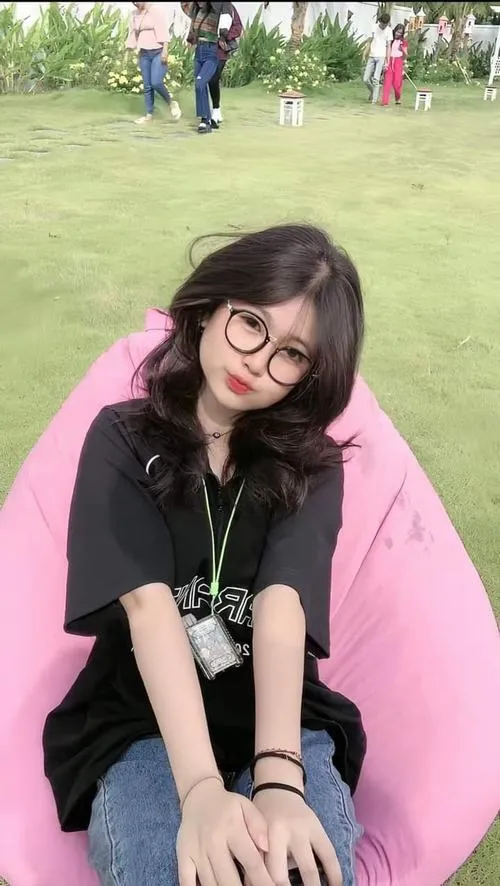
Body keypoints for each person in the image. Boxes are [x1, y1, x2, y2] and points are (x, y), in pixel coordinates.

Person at [43, 223, 367, 886]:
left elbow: (283, 605)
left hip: (278, 715)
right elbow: (149, 608)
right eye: (250, 323)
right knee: (168, 869)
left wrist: (279, 779)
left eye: (291, 354)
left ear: (311, 373)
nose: (257, 363)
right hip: (144, 717)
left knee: (305, 868)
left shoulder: (312, 465)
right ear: (214, 306)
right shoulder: (124, 438)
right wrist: (199, 792)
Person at [181, 1, 233, 133]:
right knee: (200, 86)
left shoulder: (217, 11)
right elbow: (184, 6)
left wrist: (224, 37)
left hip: (211, 52)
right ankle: (205, 120)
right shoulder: (196, 11)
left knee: (200, 83)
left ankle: (206, 120)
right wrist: (190, 41)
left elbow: (228, 17)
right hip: (199, 52)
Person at [126, 2, 182, 125]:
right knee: (147, 86)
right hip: (144, 53)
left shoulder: (156, 11)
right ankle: (149, 115)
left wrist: (165, 51)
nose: (135, 3)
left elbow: (164, 32)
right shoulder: (134, 14)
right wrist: (129, 49)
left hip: (158, 51)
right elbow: (133, 33)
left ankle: (171, 103)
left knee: (156, 82)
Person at [208, 2, 243, 128]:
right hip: (206, 48)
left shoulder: (229, 7)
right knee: (206, 80)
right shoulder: (206, 6)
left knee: (214, 78)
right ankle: (207, 111)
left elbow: (238, 27)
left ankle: (216, 110)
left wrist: (224, 36)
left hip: (220, 51)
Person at [363, 11, 392, 105]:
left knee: (376, 79)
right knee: (365, 79)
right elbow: (370, 41)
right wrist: (365, 53)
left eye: (385, 24)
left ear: (387, 23)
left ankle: (374, 101)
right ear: (380, 21)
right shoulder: (374, 27)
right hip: (372, 55)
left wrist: (387, 61)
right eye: (382, 24)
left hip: (381, 56)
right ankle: (373, 92)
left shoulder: (389, 31)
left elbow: (388, 46)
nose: (383, 26)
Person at [382, 24, 408, 106]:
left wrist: (402, 50)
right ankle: (385, 101)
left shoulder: (403, 42)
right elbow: (386, 51)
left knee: (397, 83)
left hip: (398, 61)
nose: (398, 34)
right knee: (387, 82)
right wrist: (386, 62)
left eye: (400, 33)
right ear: (394, 30)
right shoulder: (390, 39)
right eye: (397, 32)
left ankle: (398, 98)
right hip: (390, 60)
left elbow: (405, 56)